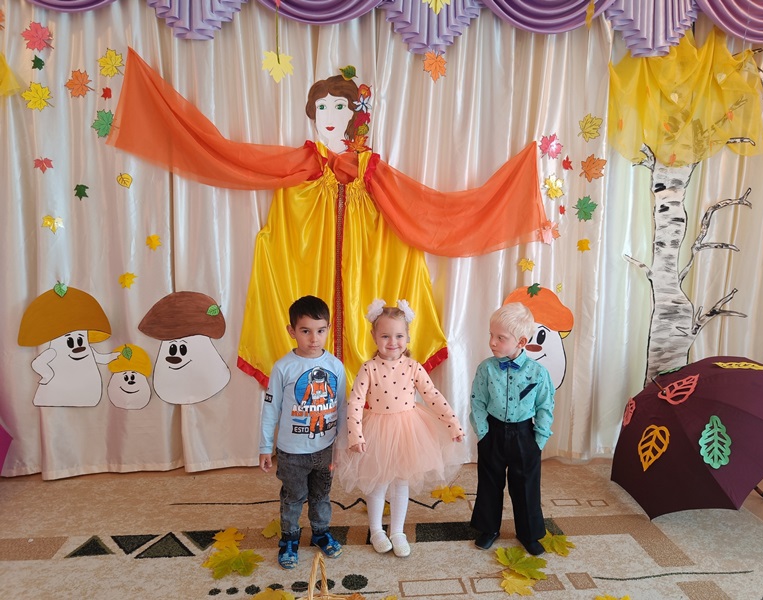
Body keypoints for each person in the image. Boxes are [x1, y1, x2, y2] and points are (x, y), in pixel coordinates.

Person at [108, 48, 552, 387]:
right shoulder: (300, 165)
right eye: (322, 108)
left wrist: (507, 196)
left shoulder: (374, 173)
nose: (330, 117)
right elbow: (229, 157)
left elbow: (434, 210)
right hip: (300, 270)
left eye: (340, 107)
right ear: (312, 115)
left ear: (355, 116)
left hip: (372, 275)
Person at [336, 299, 465, 557]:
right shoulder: (369, 368)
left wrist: (452, 423)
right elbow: (356, 402)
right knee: (378, 482)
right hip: (377, 431)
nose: (392, 341)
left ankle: (397, 531)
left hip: (408, 431)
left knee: (401, 482)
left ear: (407, 337)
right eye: (385, 336)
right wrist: (355, 434)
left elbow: (432, 395)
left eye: (398, 336)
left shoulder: (413, 367)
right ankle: (376, 530)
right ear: (374, 336)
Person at [258, 296, 347, 570]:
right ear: (292, 331)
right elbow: (270, 409)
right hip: (292, 453)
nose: (314, 338)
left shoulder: (335, 366)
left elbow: (342, 407)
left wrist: (341, 445)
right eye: (305, 331)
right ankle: (289, 539)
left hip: (325, 449)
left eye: (320, 330)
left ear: (329, 329)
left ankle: (320, 533)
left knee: (321, 496)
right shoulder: (283, 367)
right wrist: (265, 447)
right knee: (293, 498)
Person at [469, 302, 555, 555]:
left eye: (500, 338)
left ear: (521, 341)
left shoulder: (538, 373)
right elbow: (477, 401)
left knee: (526, 485)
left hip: (524, 435)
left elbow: (545, 406)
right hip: (493, 433)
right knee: (489, 483)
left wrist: (539, 440)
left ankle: (528, 533)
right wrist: (483, 433)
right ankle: (488, 528)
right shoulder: (486, 369)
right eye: (491, 335)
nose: (492, 342)